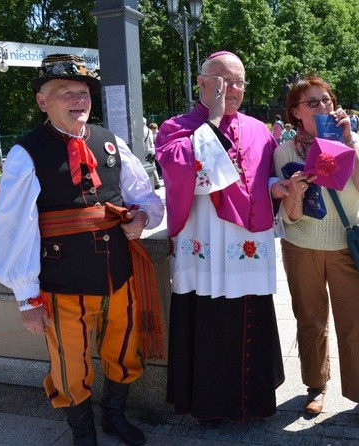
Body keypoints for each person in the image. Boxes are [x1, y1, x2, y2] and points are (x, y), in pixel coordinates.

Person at [0, 54, 164, 446]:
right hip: (61, 283)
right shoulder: (26, 153)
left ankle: (113, 417)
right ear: (42, 102)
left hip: (119, 275)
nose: (77, 100)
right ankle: (82, 433)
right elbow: (12, 230)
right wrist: (26, 298)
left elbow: (145, 196)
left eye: (83, 93)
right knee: (70, 365)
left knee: (124, 350)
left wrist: (143, 219)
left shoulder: (111, 141)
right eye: (65, 93)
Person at [155, 50, 286, 423]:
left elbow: (266, 176)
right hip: (204, 252)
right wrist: (211, 120)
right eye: (223, 80)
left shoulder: (259, 129)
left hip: (247, 250)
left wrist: (277, 186)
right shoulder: (175, 127)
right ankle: (209, 408)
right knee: (208, 324)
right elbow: (183, 174)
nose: (232, 89)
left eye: (239, 82)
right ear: (201, 82)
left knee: (250, 316)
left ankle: (255, 403)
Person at [273, 75, 359, 429]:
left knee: (355, 324)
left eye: (327, 101)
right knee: (310, 320)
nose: (323, 107)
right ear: (296, 112)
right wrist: (297, 192)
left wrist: (349, 140)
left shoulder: (354, 142)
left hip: (346, 247)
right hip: (301, 246)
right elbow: (290, 215)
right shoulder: (285, 152)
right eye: (313, 102)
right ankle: (316, 384)